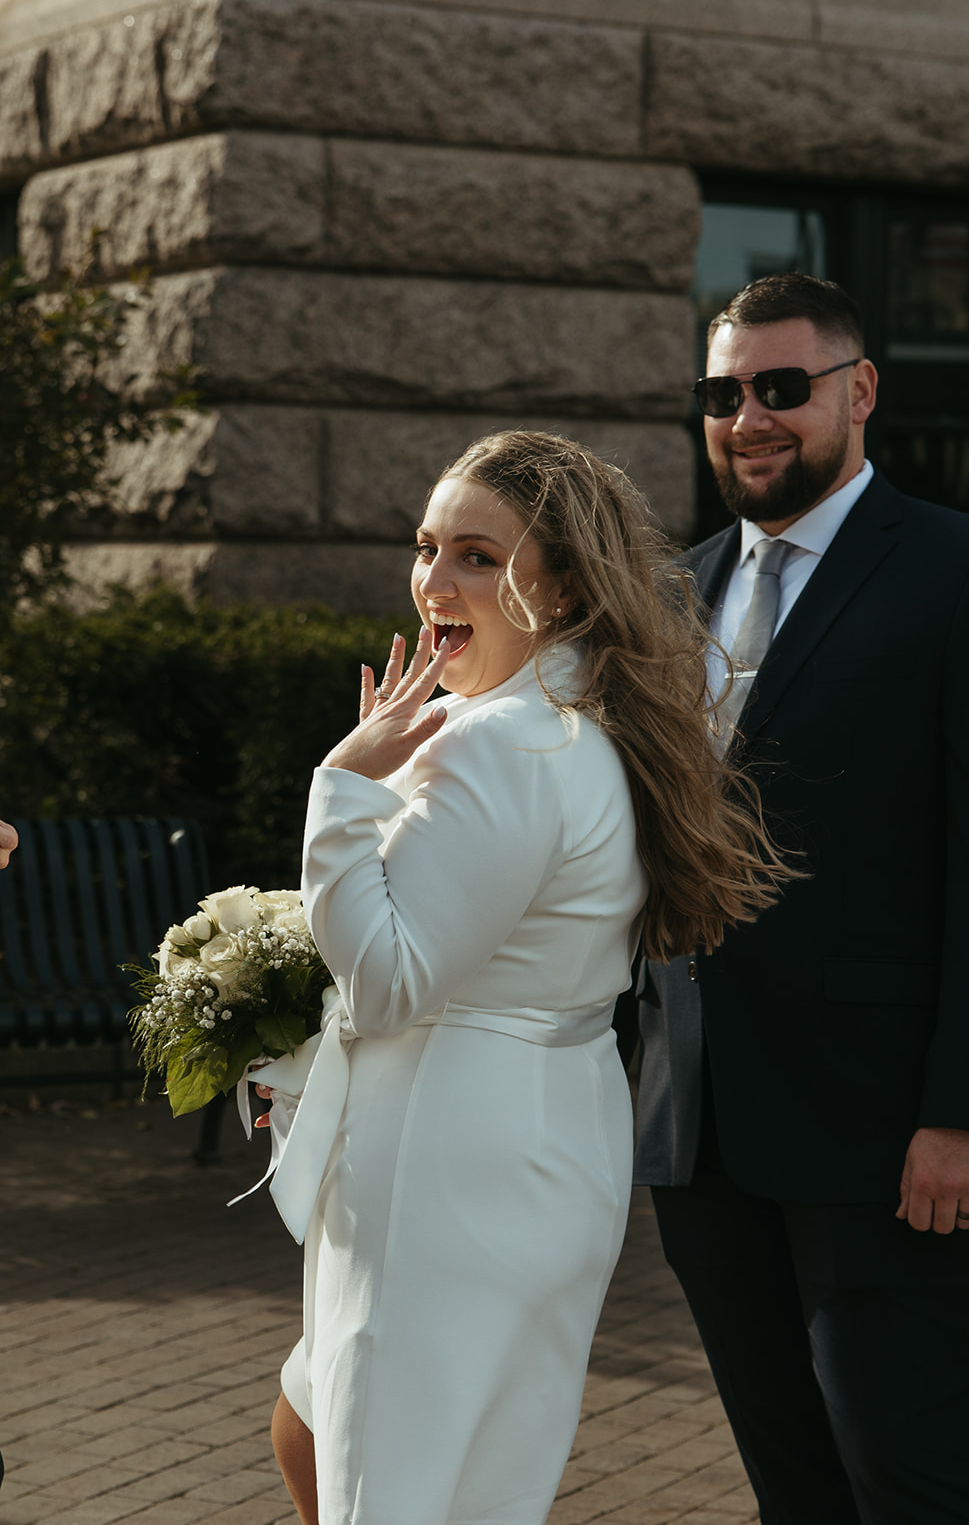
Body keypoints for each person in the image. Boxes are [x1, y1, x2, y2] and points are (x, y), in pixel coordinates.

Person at [252, 431, 790, 1525]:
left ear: (561, 580)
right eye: (426, 547)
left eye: (477, 557)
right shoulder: (580, 716)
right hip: (544, 1136)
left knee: (393, 1484)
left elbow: (394, 980)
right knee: (336, 1426)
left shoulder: (503, 743)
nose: (434, 583)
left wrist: (337, 791)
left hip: (445, 1153)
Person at [634, 272, 969, 1525]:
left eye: (782, 388)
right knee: (794, 1482)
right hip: (696, 1121)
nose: (749, 417)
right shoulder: (675, 590)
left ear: (857, 391)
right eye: (722, 393)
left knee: (912, 1479)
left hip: (882, 1133)